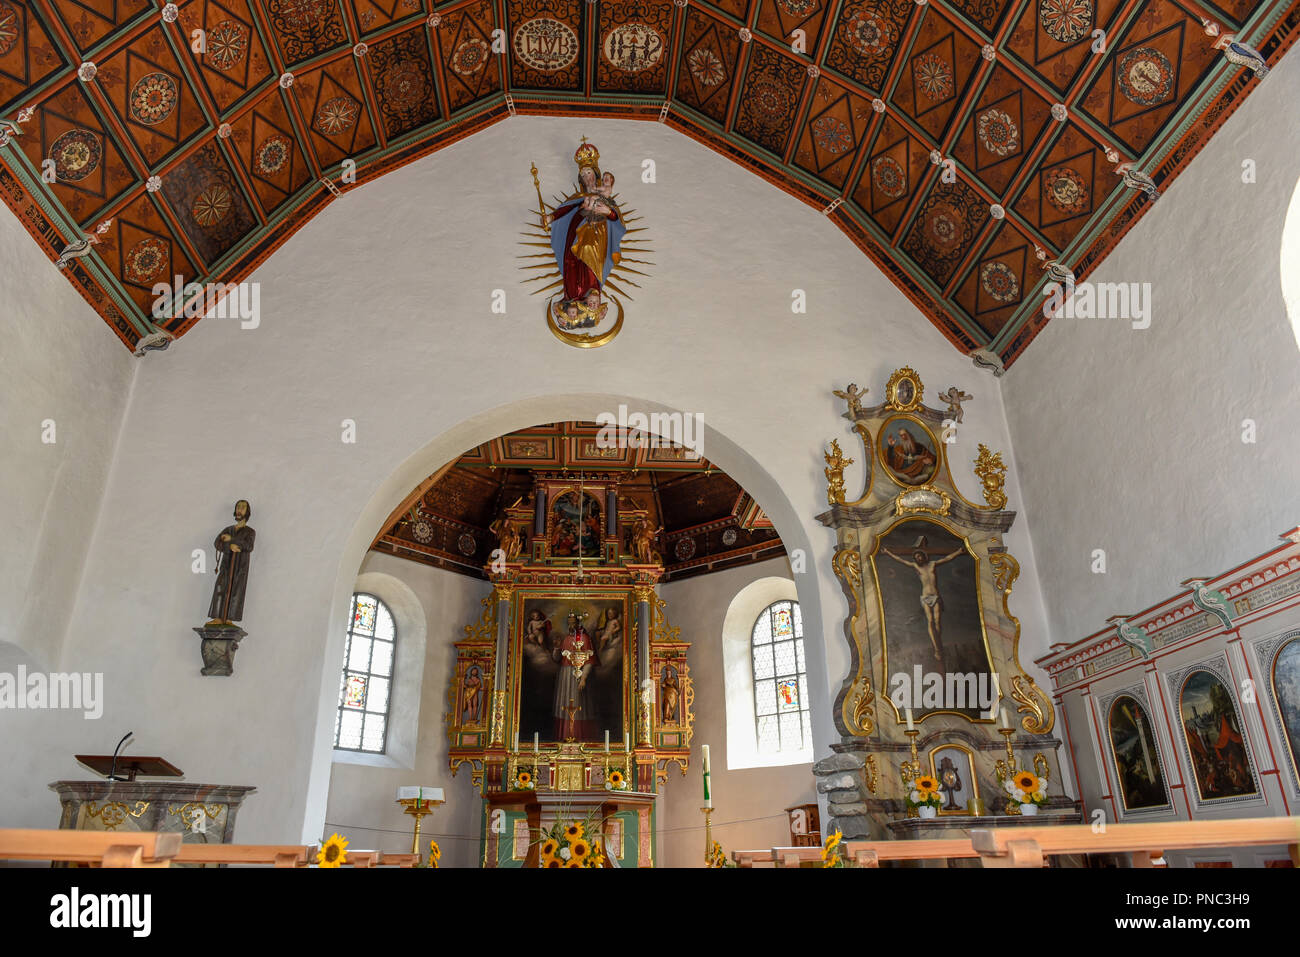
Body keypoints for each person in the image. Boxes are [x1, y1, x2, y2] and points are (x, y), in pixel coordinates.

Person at [882, 541, 963, 663]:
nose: (918, 558)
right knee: (930, 621)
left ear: (923, 556)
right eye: (916, 557)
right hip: (925, 596)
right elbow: (900, 560)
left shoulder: (932, 564)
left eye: (919, 556)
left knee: (937, 622)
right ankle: (937, 649)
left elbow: (947, 558)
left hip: (935, 596)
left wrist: (958, 552)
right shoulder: (916, 566)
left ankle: (937, 644)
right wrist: (888, 552)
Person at [207, 499, 255, 625]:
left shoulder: (250, 532)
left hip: (240, 566)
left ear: (247, 511)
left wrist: (232, 540)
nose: (239, 509)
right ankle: (217, 617)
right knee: (220, 586)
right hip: (227, 565)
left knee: (236, 590)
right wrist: (229, 547)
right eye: (238, 507)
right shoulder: (228, 529)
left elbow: (249, 546)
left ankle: (229, 618)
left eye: (243, 507)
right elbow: (218, 543)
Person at [553, 612, 598, 740]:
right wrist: (556, 648)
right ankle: (565, 735)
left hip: (579, 675)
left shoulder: (585, 639)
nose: (571, 626)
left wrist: (583, 679)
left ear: (579, 624)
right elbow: (557, 659)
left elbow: (589, 661)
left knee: (579, 705)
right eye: (569, 623)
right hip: (565, 676)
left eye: (573, 623)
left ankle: (579, 735)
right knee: (565, 704)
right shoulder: (566, 639)